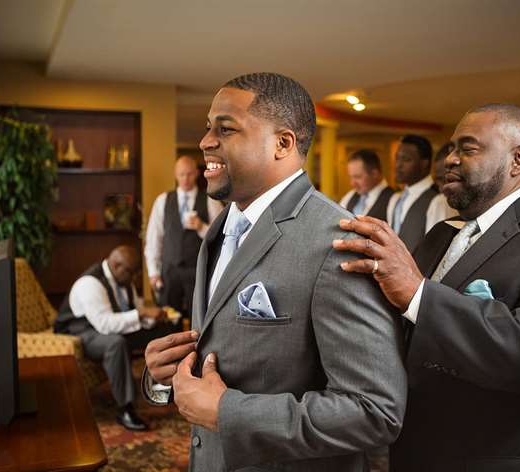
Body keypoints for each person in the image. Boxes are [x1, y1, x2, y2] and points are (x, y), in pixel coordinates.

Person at [334, 104, 520, 472]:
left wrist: (417, 294)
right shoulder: (443, 234)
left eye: (467, 149)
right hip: (423, 449)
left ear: (519, 159)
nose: (449, 161)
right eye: (451, 149)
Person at [142, 72, 407, 471]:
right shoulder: (219, 228)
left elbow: (374, 411)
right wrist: (164, 376)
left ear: (283, 143)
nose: (205, 141)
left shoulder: (338, 242)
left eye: (225, 128)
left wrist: (228, 412)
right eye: (207, 127)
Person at [54, 246, 175, 431]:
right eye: (132, 273)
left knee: (164, 331)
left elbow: (130, 311)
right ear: (117, 266)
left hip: (107, 327)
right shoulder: (90, 283)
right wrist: (141, 313)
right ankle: (125, 409)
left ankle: (162, 389)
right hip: (79, 332)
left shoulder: (124, 279)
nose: (135, 278)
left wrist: (153, 319)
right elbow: (105, 324)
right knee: (115, 343)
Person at [145, 155, 224, 318]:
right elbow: (154, 238)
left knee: (198, 317)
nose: (185, 179)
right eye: (181, 174)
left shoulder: (211, 200)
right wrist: (153, 272)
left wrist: (202, 227)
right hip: (169, 271)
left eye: (189, 174)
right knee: (168, 319)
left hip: (198, 271)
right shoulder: (163, 200)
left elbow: (221, 237)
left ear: (196, 173)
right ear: (175, 174)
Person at [387, 134, 455, 251]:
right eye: (397, 158)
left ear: (424, 163)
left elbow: (436, 249)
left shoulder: (438, 199)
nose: (398, 165)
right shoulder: (395, 198)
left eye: (406, 159)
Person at [338, 149, 394, 221]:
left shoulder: (393, 199)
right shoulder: (350, 196)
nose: (352, 183)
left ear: (374, 174)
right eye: (351, 177)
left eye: (357, 177)